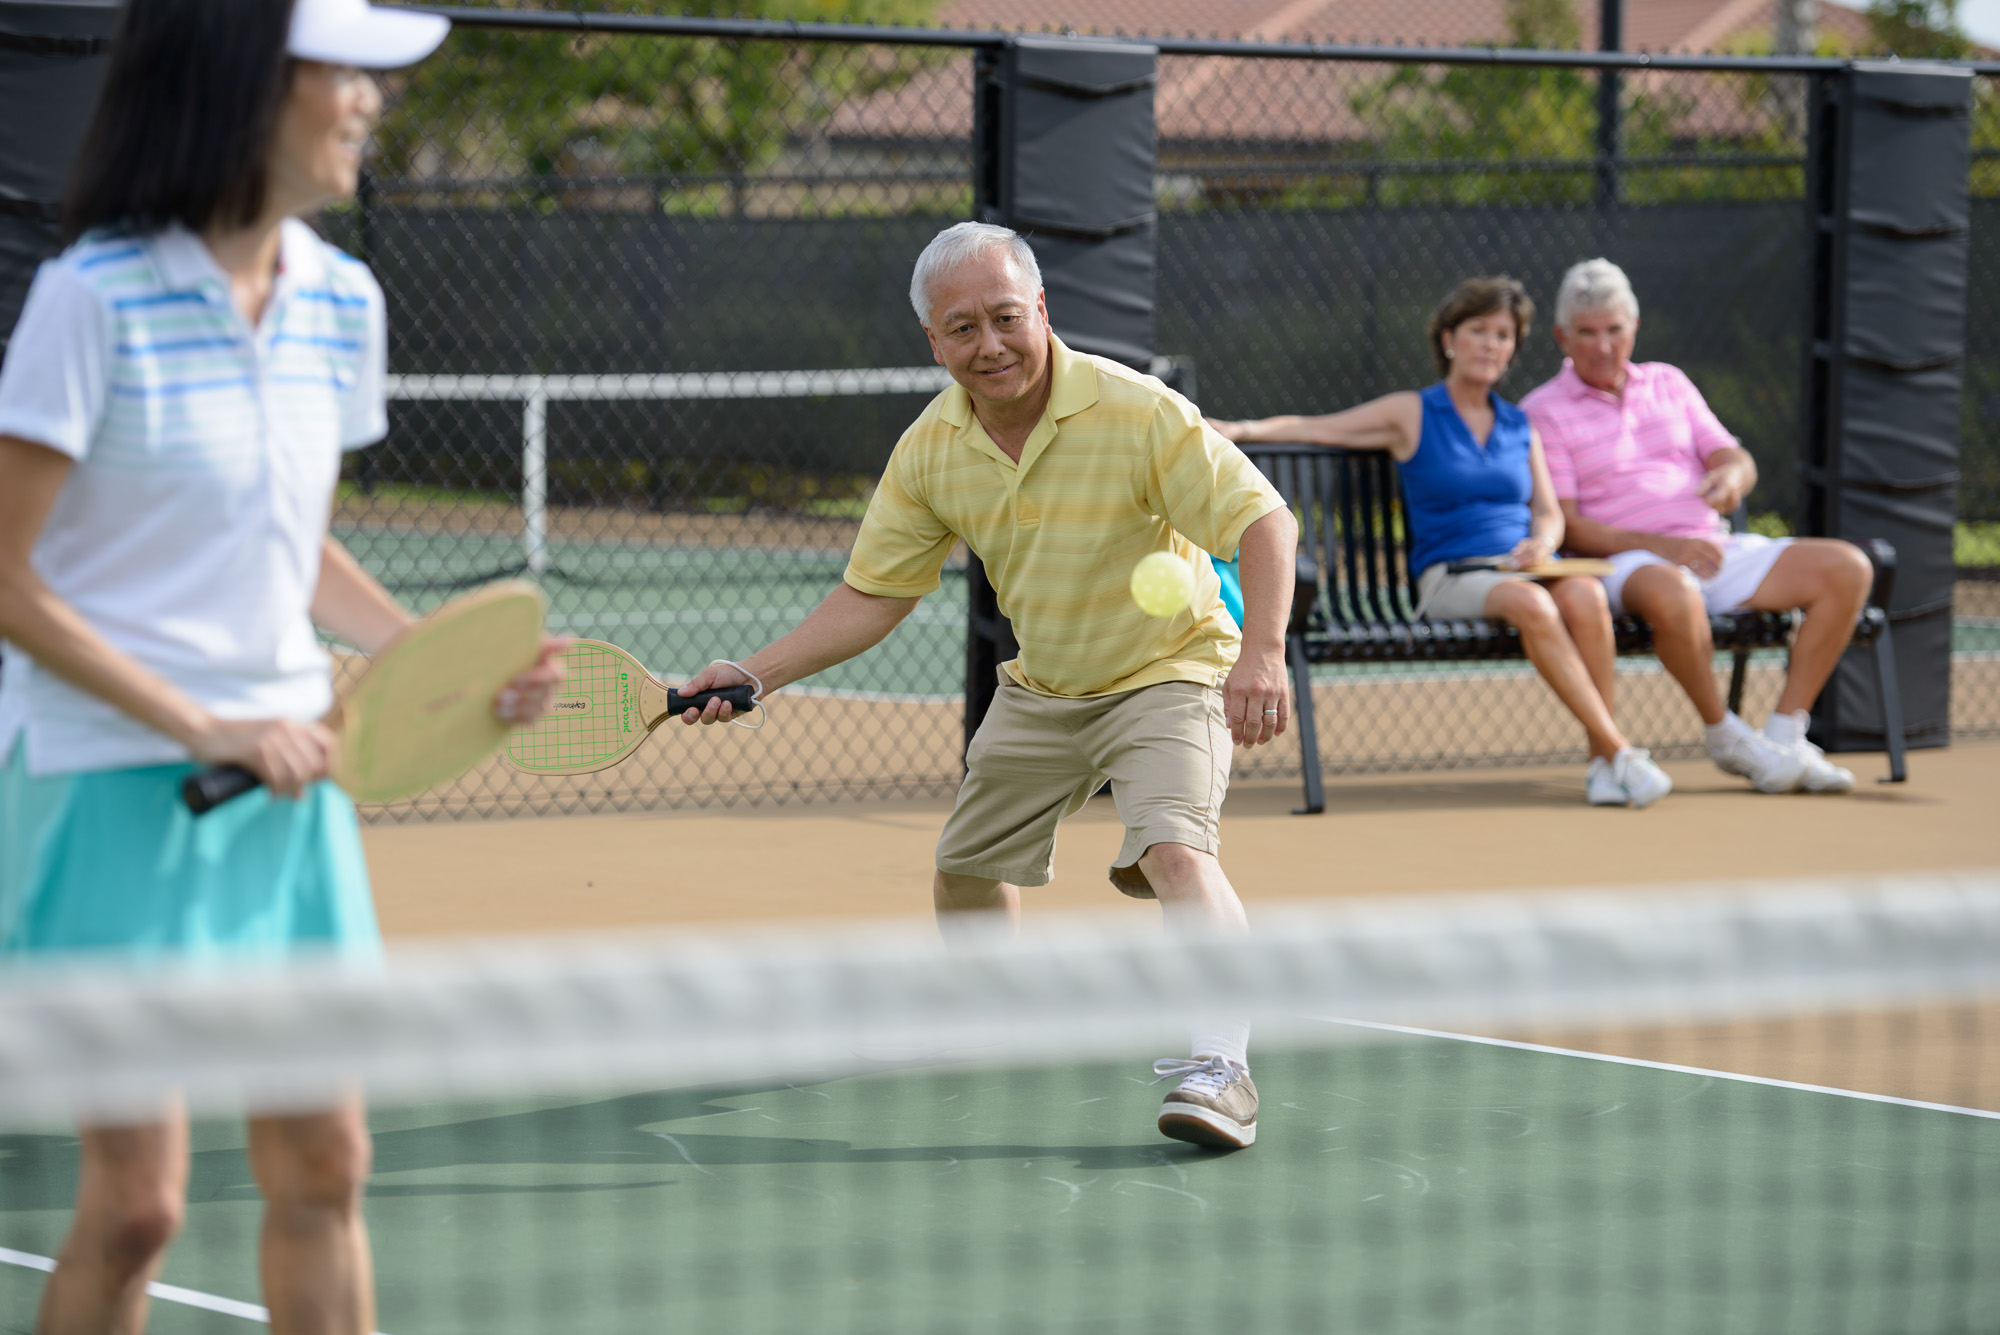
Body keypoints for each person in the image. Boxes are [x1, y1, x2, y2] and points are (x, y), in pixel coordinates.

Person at [0, 1, 564, 1330]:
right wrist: (204, 722)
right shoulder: (94, 299)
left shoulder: (340, 302)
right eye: (342, 74)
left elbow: (288, 542)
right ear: (242, 88)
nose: (370, 101)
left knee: (327, 1158)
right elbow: (9, 578)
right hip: (110, 790)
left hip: (287, 794)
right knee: (138, 1199)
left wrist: (427, 661)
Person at [675, 221, 1296, 1151]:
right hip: (1046, 683)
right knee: (965, 869)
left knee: (1172, 847)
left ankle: (1222, 1066)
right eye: (961, 328)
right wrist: (754, 674)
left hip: (1170, 667)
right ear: (933, 341)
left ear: (1042, 309)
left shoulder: (1136, 409)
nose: (990, 343)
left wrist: (1265, 650)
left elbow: (1263, 516)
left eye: (1006, 316)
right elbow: (871, 595)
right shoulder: (931, 449)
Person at [1210, 277, 1674, 809]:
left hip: (1521, 571)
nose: (1490, 344)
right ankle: (1620, 750)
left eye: (1503, 335)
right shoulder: (1413, 412)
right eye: (1478, 330)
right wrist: (1242, 428)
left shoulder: (1521, 424)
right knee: (1533, 602)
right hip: (1451, 576)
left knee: (1586, 594)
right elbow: (1322, 428)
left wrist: (1543, 542)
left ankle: (1602, 764)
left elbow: (1548, 512)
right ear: (1450, 339)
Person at [1522, 259, 1872, 795]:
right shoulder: (1542, 411)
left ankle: (1784, 735)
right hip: (1625, 564)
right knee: (1674, 587)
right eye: (1587, 333)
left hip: (1709, 548)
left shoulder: (1670, 382)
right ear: (1561, 337)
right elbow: (1568, 526)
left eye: (1614, 330)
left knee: (1847, 568)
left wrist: (1733, 475)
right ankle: (1724, 733)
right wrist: (1665, 547)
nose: (1603, 346)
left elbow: (1734, 457)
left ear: (1633, 328)